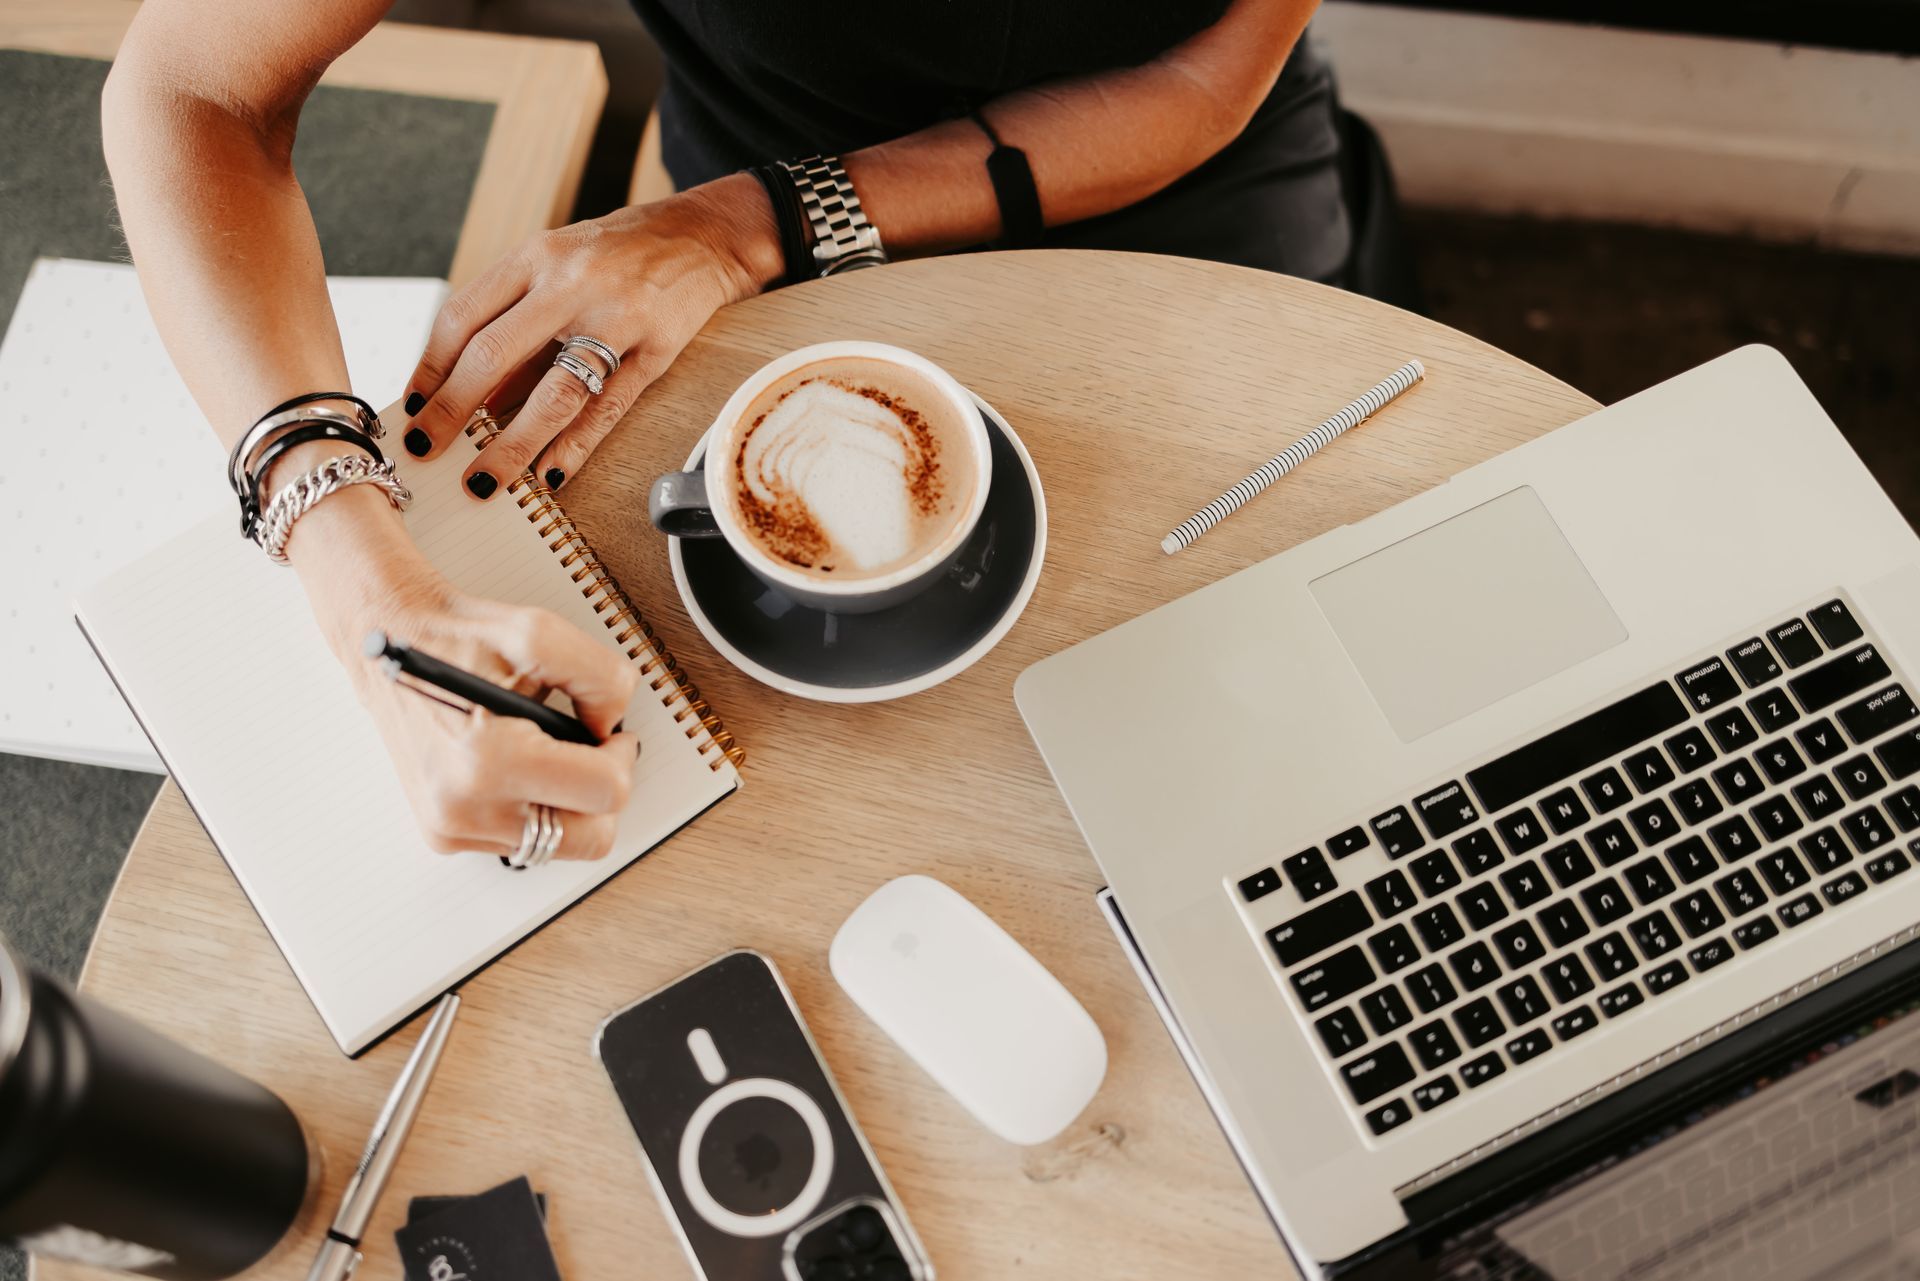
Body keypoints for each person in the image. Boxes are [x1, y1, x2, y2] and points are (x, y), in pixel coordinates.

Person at [101, 0, 1344, 862]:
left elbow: (1203, 77)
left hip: (1178, 176)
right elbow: (194, 87)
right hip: (749, 189)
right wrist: (356, 578)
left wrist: (751, 226)